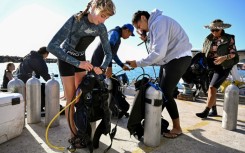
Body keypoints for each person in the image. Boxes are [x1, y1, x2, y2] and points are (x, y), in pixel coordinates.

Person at [47, 0, 116, 139]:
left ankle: (82, 128)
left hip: (81, 60)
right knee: (71, 99)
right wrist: (78, 63)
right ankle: (73, 134)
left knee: (82, 98)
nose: (104, 20)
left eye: (107, 18)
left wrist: (102, 68)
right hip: (66, 59)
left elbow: (109, 53)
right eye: (103, 16)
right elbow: (52, 46)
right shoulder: (76, 20)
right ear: (94, 7)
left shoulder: (101, 28)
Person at [126, 9, 192, 138]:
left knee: (166, 93)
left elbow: (158, 53)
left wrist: (137, 63)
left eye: (138, 26)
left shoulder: (159, 22)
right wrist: (147, 38)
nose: (139, 29)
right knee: (161, 92)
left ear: (144, 18)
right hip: (169, 59)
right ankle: (152, 121)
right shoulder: (155, 25)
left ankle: (177, 127)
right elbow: (158, 47)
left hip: (179, 57)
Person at [196, 19, 239, 118]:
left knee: (212, 87)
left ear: (221, 29)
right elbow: (204, 51)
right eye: (212, 30)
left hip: (224, 66)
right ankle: (214, 110)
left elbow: (233, 54)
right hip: (210, 66)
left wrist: (224, 58)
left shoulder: (229, 38)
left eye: (216, 30)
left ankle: (206, 111)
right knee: (209, 89)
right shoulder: (208, 38)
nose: (214, 32)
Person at [15, 46, 51, 112]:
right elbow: (45, 74)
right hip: (28, 80)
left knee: (40, 86)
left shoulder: (28, 56)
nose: (47, 57)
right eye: (47, 55)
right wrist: (51, 82)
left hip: (18, 80)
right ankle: (39, 108)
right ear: (46, 53)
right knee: (43, 88)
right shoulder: (39, 60)